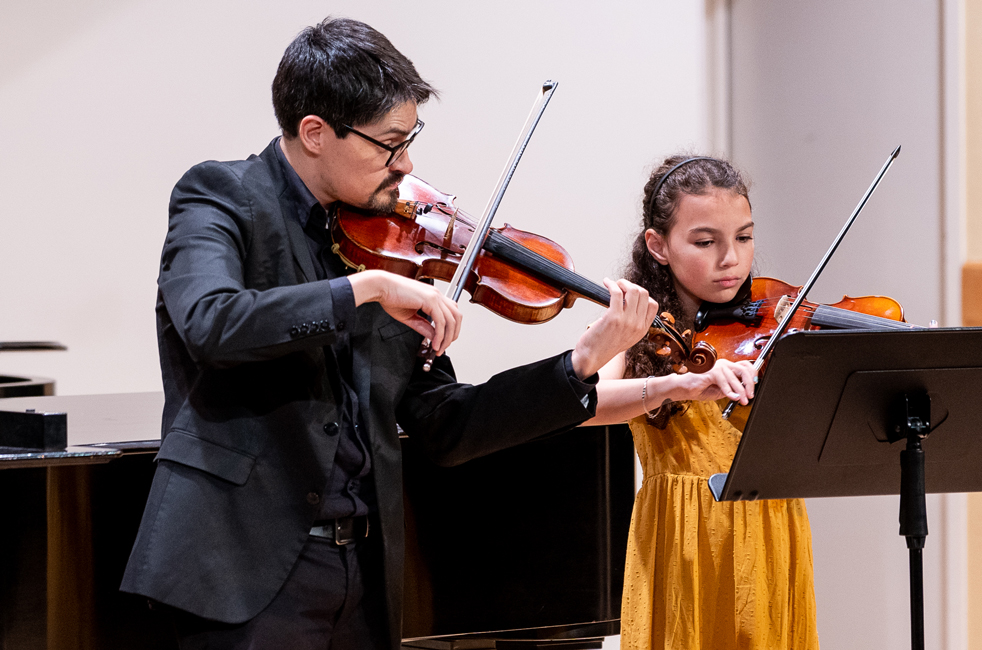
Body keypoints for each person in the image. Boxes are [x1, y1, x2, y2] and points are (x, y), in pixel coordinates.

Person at [119, 17, 657, 650]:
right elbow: (213, 322)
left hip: (362, 579)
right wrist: (364, 290)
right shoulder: (221, 197)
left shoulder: (393, 244)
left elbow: (446, 424)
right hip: (239, 576)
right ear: (315, 133)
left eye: (409, 140)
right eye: (388, 144)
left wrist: (579, 363)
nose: (405, 165)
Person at [585, 155, 819, 649]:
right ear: (658, 245)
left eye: (744, 237)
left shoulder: (772, 330)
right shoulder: (635, 329)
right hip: (680, 538)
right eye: (705, 242)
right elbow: (586, 403)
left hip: (769, 526)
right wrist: (673, 385)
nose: (730, 258)